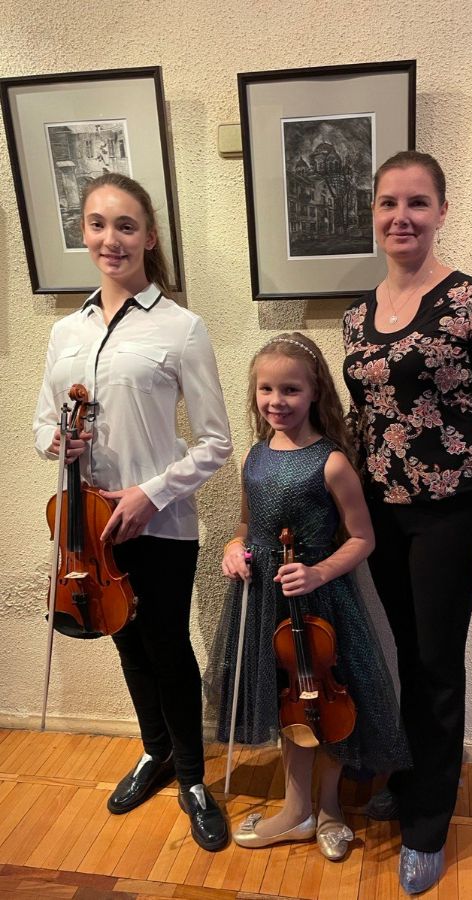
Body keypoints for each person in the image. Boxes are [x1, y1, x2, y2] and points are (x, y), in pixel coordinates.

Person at [342, 150, 472, 894]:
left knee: (436, 666)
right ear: (374, 214)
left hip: (452, 516)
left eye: (417, 203)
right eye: (389, 203)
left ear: (442, 212)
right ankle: (411, 775)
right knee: (403, 657)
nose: (402, 217)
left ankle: (428, 825)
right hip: (381, 518)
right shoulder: (357, 315)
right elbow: (362, 422)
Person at [33, 173, 233, 851]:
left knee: (168, 646)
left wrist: (152, 493)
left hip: (161, 524)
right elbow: (41, 424)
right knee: (124, 640)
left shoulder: (181, 327)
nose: (110, 239)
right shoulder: (66, 331)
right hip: (88, 525)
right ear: (83, 233)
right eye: (97, 224)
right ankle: (156, 751)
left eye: (125, 225)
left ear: (149, 236)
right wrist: (57, 439)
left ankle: (194, 779)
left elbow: (216, 442)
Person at [206, 332, 410, 862]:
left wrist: (318, 573)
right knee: (287, 702)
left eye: (291, 390)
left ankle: (330, 808)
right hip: (266, 603)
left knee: (331, 704)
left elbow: (362, 538)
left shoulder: (332, 461)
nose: (277, 401)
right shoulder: (254, 457)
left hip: (321, 603)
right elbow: (247, 526)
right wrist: (233, 549)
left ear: (315, 391)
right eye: (266, 389)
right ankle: (296, 810)